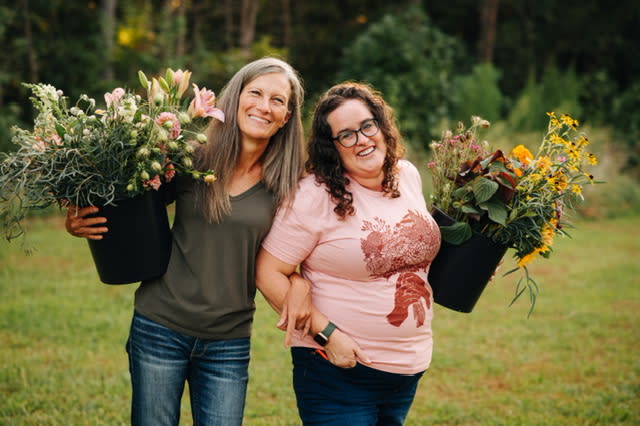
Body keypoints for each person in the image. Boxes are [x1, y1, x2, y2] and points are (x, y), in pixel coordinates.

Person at [65, 57, 306, 426]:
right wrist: (80, 217)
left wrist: (301, 281)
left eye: (277, 100)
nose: (264, 106)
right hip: (160, 326)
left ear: (287, 116)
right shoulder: (191, 155)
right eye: (255, 92)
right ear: (236, 97)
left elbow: (299, 253)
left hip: (228, 342)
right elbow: (127, 206)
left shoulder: (290, 185)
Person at [256, 82, 442, 425]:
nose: (362, 139)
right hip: (338, 371)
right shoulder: (314, 195)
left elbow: (415, 256)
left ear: (382, 126)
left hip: (406, 372)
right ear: (333, 148)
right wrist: (327, 334)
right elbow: (268, 272)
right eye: (346, 135)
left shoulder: (407, 176)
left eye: (367, 126)